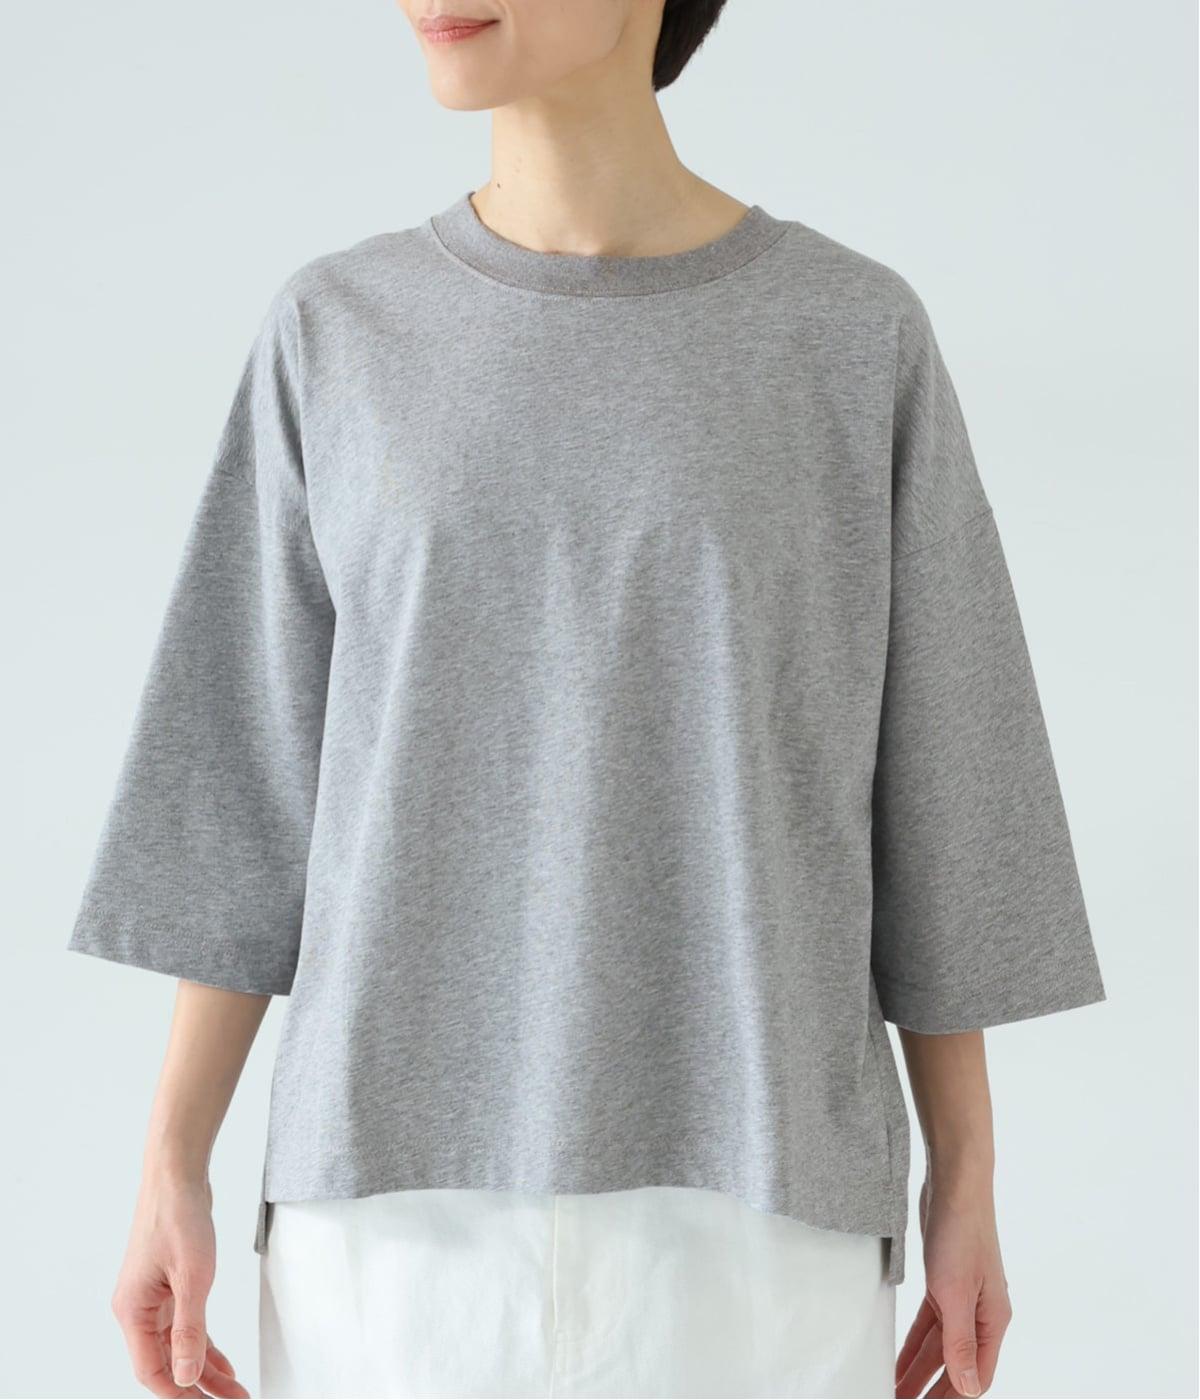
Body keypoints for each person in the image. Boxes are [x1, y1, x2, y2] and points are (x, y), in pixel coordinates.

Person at [68, 2, 1107, 1397]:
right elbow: (246, 787)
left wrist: (965, 1184)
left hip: (756, 1219)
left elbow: (942, 788)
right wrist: (169, 1166)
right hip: (388, 1223)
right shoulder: (338, 330)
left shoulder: (851, 336)